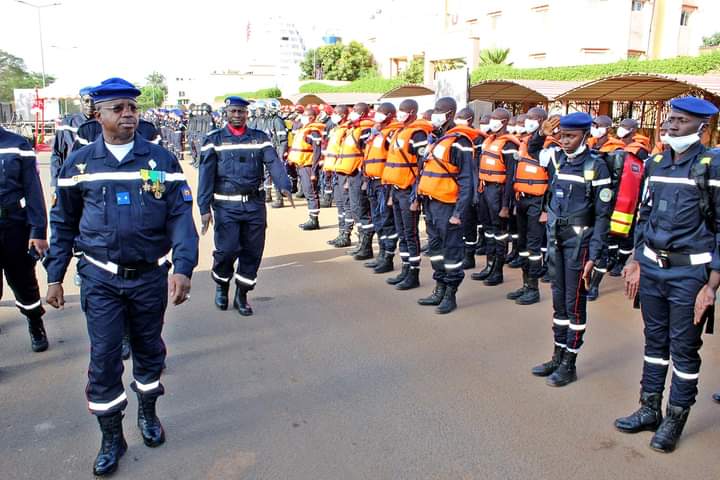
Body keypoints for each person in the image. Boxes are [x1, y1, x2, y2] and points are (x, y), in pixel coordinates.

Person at [44, 78, 198, 476]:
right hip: (100, 279)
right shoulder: (78, 165)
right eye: (118, 108)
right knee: (105, 358)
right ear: (98, 116)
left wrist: (183, 267)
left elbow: (181, 217)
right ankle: (112, 436)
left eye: (132, 107)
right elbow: (62, 223)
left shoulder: (161, 161)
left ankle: (148, 414)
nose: (128, 114)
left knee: (149, 351)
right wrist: (55, 275)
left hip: (149, 277)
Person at [615, 97, 720, 453]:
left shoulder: (712, 165)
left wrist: (711, 287)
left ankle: (675, 417)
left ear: (701, 127)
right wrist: (634, 260)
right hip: (653, 270)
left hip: (690, 274)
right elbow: (643, 216)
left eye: (680, 121)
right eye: (669, 119)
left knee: (685, 349)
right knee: (654, 342)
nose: (670, 125)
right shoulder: (656, 162)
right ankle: (649, 409)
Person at [529, 112, 611, 387]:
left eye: (571, 136)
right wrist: (542, 133)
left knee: (575, 304)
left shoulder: (595, 166)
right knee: (558, 298)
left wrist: (596, 254)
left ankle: (569, 362)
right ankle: (557, 353)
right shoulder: (556, 158)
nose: (564, 141)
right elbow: (532, 149)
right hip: (556, 238)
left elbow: (602, 215)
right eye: (562, 135)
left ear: (586, 136)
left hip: (581, 242)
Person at [198, 96, 292, 316]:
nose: (237, 115)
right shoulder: (214, 139)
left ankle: (242, 294)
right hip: (225, 206)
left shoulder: (259, 138)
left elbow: (273, 162)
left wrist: (284, 184)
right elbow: (205, 176)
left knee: (252, 252)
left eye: (241, 112)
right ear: (226, 113)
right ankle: (222, 285)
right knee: (227, 250)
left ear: (247, 114)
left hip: (254, 206)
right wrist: (204, 208)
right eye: (233, 111)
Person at [415, 97, 474, 314]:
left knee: (451, 252)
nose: (434, 114)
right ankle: (439, 288)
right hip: (430, 205)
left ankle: (450, 293)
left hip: (449, 207)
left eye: (439, 111)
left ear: (449, 114)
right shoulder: (436, 139)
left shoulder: (460, 142)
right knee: (436, 251)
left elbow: (467, 180)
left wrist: (459, 212)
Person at [0, 126, 49, 352]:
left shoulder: (18, 144)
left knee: (23, 283)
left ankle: (34, 321)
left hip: (14, 226)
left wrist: (38, 231)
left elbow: (33, 191)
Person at [381, 99, 432, 289]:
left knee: (410, 234)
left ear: (412, 112)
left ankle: (414, 273)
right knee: (401, 232)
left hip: (409, 190)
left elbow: (422, 164)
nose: (400, 113)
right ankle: (404, 268)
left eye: (403, 110)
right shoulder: (398, 132)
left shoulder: (418, 134)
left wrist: (416, 195)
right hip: (396, 189)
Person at [506, 107, 553, 306]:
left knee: (534, 247)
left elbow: (553, 180)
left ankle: (533, 288)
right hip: (522, 199)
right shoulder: (526, 142)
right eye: (528, 118)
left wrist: (545, 209)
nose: (529, 121)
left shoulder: (550, 145)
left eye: (534, 118)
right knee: (523, 245)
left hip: (537, 202)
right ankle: (525, 284)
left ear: (543, 121)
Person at [471, 108, 519, 286]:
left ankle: (497, 271)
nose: (492, 121)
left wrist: (506, 205)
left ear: (505, 121)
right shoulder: (489, 140)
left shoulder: (508, 145)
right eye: (491, 118)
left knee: (499, 232)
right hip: (485, 189)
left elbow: (510, 178)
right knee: (488, 229)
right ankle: (489, 266)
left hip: (499, 192)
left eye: (496, 119)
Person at [361, 102, 403, 271]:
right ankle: (381, 253)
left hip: (384, 184)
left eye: (382, 113)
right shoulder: (376, 134)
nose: (378, 116)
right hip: (372, 181)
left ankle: (388, 257)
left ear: (391, 115)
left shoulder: (392, 134)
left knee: (387, 220)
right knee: (378, 219)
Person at [335, 103, 375, 260]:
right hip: (351, 175)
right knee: (355, 209)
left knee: (361, 210)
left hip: (359, 176)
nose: (353, 113)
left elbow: (367, 155)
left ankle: (366, 247)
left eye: (356, 111)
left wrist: (365, 179)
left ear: (364, 113)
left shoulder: (365, 130)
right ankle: (361, 244)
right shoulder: (354, 129)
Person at [454, 108, 486, 271]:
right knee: (464, 221)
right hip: (462, 183)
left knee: (471, 220)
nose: (458, 120)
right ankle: (465, 252)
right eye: (457, 117)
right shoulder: (456, 137)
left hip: (475, 183)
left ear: (470, 120)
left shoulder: (477, 138)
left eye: (462, 118)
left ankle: (469, 255)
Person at [287, 106, 324, 230]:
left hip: (308, 166)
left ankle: (314, 220)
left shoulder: (313, 132)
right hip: (301, 165)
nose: (301, 118)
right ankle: (311, 217)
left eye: (304, 116)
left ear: (311, 117)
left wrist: (314, 171)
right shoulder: (304, 129)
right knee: (308, 192)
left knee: (311, 192)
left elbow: (317, 152)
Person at [50, 86, 95, 186]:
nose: (90, 105)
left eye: (93, 101)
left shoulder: (103, 123)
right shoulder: (67, 124)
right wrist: (55, 182)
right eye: (86, 101)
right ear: (81, 101)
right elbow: (57, 154)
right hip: (72, 178)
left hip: (95, 179)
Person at [323, 105, 353, 247]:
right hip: (335, 171)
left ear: (343, 115)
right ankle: (341, 232)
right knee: (340, 205)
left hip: (344, 172)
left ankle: (347, 234)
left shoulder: (347, 131)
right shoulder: (336, 130)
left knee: (347, 206)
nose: (333, 115)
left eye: (336, 113)